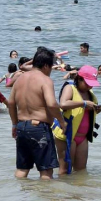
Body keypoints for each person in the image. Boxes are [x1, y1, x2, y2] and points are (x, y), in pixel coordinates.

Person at [7, 47, 67, 180]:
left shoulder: (20, 79)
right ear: (46, 66)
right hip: (39, 128)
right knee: (46, 172)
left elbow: (10, 103)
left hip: (22, 127)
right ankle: (45, 200)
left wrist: (14, 125)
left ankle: (19, 199)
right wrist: (62, 122)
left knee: (22, 169)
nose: (51, 71)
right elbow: (51, 104)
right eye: (51, 67)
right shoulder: (45, 80)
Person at [52, 65, 101, 174]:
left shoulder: (89, 93)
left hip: (83, 137)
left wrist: (97, 109)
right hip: (67, 135)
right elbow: (63, 104)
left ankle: (76, 191)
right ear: (79, 79)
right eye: (88, 83)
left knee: (81, 171)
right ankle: (62, 190)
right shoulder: (70, 88)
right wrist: (83, 103)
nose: (90, 87)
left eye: (92, 84)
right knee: (65, 170)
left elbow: (86, 112)